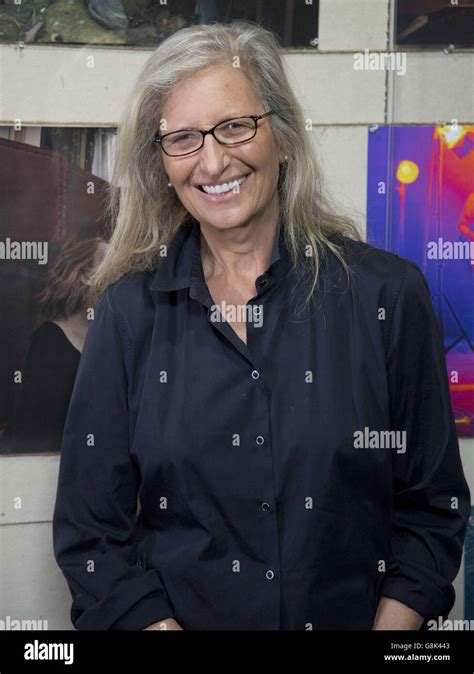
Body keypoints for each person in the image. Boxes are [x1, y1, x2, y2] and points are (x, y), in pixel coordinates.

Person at [52, 21, 470, 631]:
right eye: (184, 138)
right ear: (160, 162)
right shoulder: (127, 315)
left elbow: (432, 511)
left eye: (235, 126)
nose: (214, 160)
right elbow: (92, 535)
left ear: (281, 135)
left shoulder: (388, 297)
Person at [1, 237, 107, 454]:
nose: (119, 273)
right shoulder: (50, 342)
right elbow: (37, 432)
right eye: (109, 263)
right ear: (85, 275)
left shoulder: (109, 339)